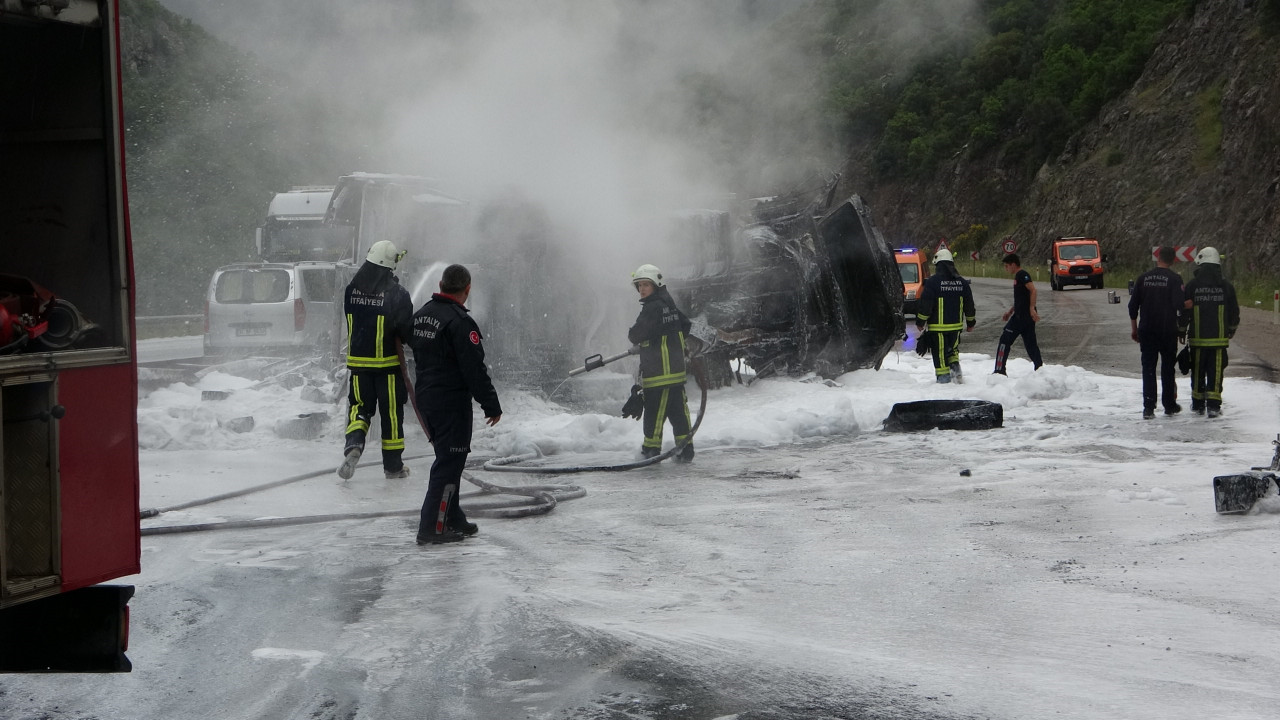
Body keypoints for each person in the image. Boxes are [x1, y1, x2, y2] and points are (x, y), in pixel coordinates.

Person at [407, 264, 502, 544]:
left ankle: (452, 515)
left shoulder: (423, 315)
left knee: (449, 459)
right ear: (467, 289)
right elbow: (474, 370)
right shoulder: (460, 323)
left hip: (427, 400)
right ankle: (433, 527)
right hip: (451, 403)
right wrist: (491, 405)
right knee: (449, 463)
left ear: (440, 283)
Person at [337, 240, 414, 481]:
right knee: (391, 414)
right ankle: (393, 467)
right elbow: (405, 329)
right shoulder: (398, 294)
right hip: (388, 367)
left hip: (359, 366)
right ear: (390, 266)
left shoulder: (351, 290)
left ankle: (354, 445)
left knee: (359, 409)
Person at [627, 263, 694, 461]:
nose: (641, 289)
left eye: (645, 285)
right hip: (675, 373)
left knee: (654, 415)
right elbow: (685, 325)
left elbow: (634, 334)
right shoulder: (668, 305)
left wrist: (650, 340)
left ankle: (650, 452)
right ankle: (685, 450)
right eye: (639, 286)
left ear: (656, 285)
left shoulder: (652, 308)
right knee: (678, 413)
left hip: (659, 374)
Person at [1178, 247, 1239, 418]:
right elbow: (1234, 311)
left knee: (1197, 371)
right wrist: (1231, 330)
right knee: (1216, 372)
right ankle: (1213, 406)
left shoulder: (1191, 286)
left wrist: (1181, 331)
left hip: (1197, 340)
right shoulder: (1226, 287)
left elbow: (1184, 311)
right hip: (1218, 341)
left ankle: (1197, 405)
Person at [1129, 246, 1185, 418]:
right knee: (1168, 368)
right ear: (1173, 260)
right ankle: (1169, 405)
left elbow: (1133, 306)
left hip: (1147, 329)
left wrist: (1135, 329)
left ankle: (1148, 407)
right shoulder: (1175, 279)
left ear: (1158, 258)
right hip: (1167, 330)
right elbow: (1179, 305)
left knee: (1148, 368)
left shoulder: (1143, 278)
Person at [914, 248, 976, 383]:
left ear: (938, 265)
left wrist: (920, 322)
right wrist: (971, 323)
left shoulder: (932, 282)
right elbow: (969, 305)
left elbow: (926, 305)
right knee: (952, 351)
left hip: (938, 328)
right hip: (956, 328)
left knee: (940, 354)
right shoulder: (962, 283)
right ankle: (957, 373)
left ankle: (944, 382)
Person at [993, 252, 1043, 375]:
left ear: (1013, 264)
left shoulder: (1022, 274)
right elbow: (1021, 299)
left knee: (1004, 340)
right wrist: (1010, 312)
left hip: (1022, 317)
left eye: (1007, 266)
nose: (1006, 269)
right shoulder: (1018, 276)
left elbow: (1033, 290)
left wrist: (1032, 308)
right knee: (1031, 345)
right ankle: (1040, 370)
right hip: (1022, 315)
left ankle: (999, 370)